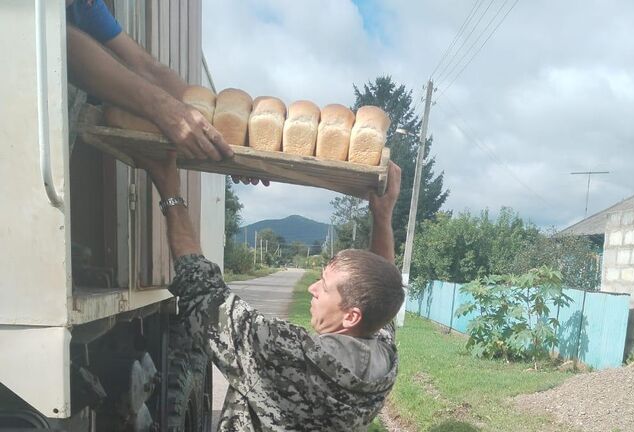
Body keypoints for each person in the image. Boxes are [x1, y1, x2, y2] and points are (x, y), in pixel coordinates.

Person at [139, 150, 405, 431]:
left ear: (351, 316)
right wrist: (382, 215)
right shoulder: (383, 363)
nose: (313, 289)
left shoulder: (292, 355)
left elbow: (204, 294)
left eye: (324, 287)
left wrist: (170, 192)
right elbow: (379, 291)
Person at [65, 0, 235, 163]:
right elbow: (59, 43)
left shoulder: (86, 5)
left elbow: (148, 68)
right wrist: (162, 108)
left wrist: (224, 138)